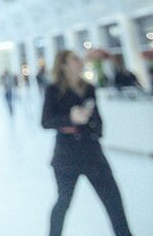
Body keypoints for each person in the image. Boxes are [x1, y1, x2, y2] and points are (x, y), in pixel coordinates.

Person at [42, 50, 132, 236]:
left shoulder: (89, 88)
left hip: (92, 154)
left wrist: (92, 126)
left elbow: (98, 121)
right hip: (66, 158)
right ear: (64, 65)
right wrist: (70, 119)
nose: (80, 61)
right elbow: (46, 121)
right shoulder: (53, 90)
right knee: (63, 202)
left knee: (114, 202)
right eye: (74, 59)